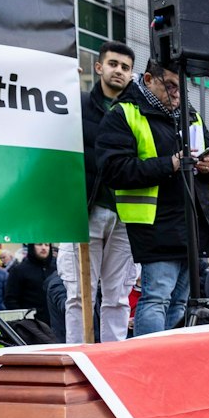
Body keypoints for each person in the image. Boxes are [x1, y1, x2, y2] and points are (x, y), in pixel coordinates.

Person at [96, 62, 209, 335]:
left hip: (192, 223)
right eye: (170, 86)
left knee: (179, 302)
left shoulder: (190, 115)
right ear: (148, 79)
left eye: (181, 88)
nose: (177, 95)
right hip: (156, 224)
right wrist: (170, 164)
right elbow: (113, 169)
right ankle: (149, 361)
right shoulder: (124, 114)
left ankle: (165, 358)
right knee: (156, 297)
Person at [61, 42, 140, 344]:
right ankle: (76, 357)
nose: (118, 71)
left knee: (118, 296)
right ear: (99, 67)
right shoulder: (76, 104)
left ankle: (113, 360)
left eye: (125, 67)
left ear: (131, 74)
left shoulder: (137, 112)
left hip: (126, 213)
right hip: (86, 210)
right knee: (79, 294)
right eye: (113, 64)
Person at [4, 243, 63, 327]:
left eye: (46, 245)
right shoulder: (19, 270)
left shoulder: (57, 268)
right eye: (39, 244)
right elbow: (11, 300)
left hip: (57, 323)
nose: (43, 248)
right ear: (32, 247)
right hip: (32, 326)